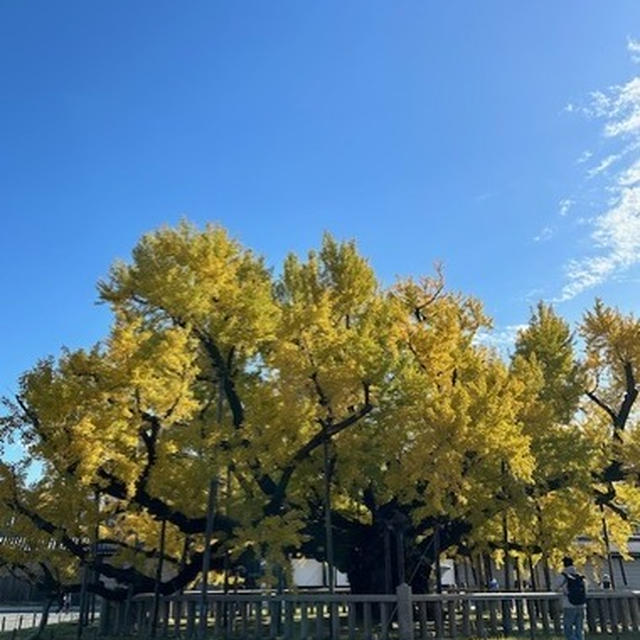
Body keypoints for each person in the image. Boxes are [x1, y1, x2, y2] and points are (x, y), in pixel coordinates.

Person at [556, 556, 587, 640]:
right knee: (579, 628)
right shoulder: (579, 576)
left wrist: (562, 590)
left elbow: (554, 586)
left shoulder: (564, 576)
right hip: (581, 604)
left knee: (568, 628)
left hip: (569, 604)